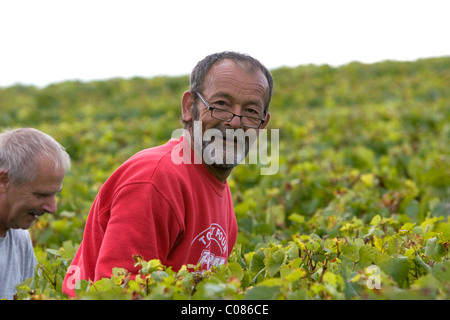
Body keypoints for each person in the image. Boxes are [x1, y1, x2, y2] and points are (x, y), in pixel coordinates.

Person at [62, 51, 273, 297]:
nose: (235, 122)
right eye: (221, 105)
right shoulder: (155, 179)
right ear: (188, 107)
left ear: (261, 125)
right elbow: (120, 290)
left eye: (250, 111)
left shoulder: (219, 190)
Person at [0, 128, 71, 300]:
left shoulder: (20, 237)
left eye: (55, 194)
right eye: (41, 195)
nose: (52, 208)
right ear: (4, 181)